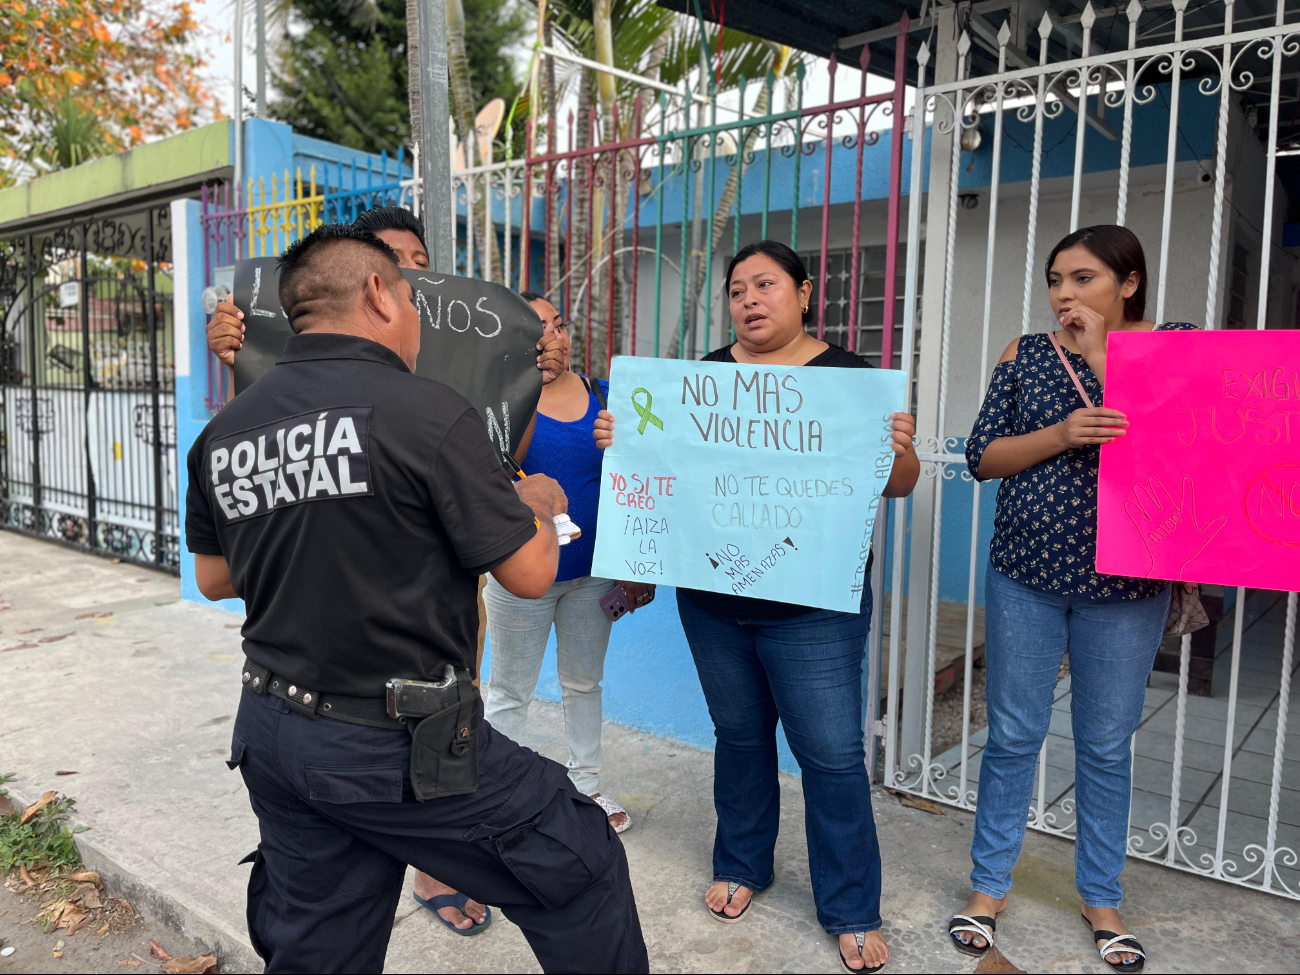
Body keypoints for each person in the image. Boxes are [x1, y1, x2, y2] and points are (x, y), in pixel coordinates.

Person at [186, 223, 648, 974]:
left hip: (273, 731)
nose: (419, 318)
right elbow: (529, 574)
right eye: (410, 297)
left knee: (322, 944)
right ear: (376, 294)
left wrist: (323, 522)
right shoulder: (428, 413)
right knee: (581, 859)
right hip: (396, 744)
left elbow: (214, 576)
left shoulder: (228, 429)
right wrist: (532, 500)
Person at [593, 240, 920, 974]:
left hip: (814, 610)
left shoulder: (847, 379)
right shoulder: (704, 379)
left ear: (804, 293)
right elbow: (662, 470)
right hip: (714, 601)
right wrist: (626, 441)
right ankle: (742, 863)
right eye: (737, 288)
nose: (749, 299)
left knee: (833, 755)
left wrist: (896, 447)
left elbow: (898, 482)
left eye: (765, 284)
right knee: (739, 737)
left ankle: (851, 903)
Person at [951, 225, 1195, 975]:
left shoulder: (1177, 343)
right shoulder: (1023, 354)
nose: (1064, 294)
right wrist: (1059, 432)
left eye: (1084, 278)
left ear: (1129, 282)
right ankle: (989, 887)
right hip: (1026, 571)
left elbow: (1189, 444)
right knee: (1014, 734)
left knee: (1105, 742)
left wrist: (1099, 358)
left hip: (1128, 583)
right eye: (1057, 279)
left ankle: (1101, 895)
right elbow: (981, 456)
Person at [483, 291, 654, 835]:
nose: (553, 335)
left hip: (594, 573)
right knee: (511, 691)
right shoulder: (500, 402)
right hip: (523, 575)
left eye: (558, 324)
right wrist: (526, 387)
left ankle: (587, 785)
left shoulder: (603, 394)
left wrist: (635, 563)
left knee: (584, 683)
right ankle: (498, 794)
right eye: (538, 328)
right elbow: (493, 472)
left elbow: (636, 479)